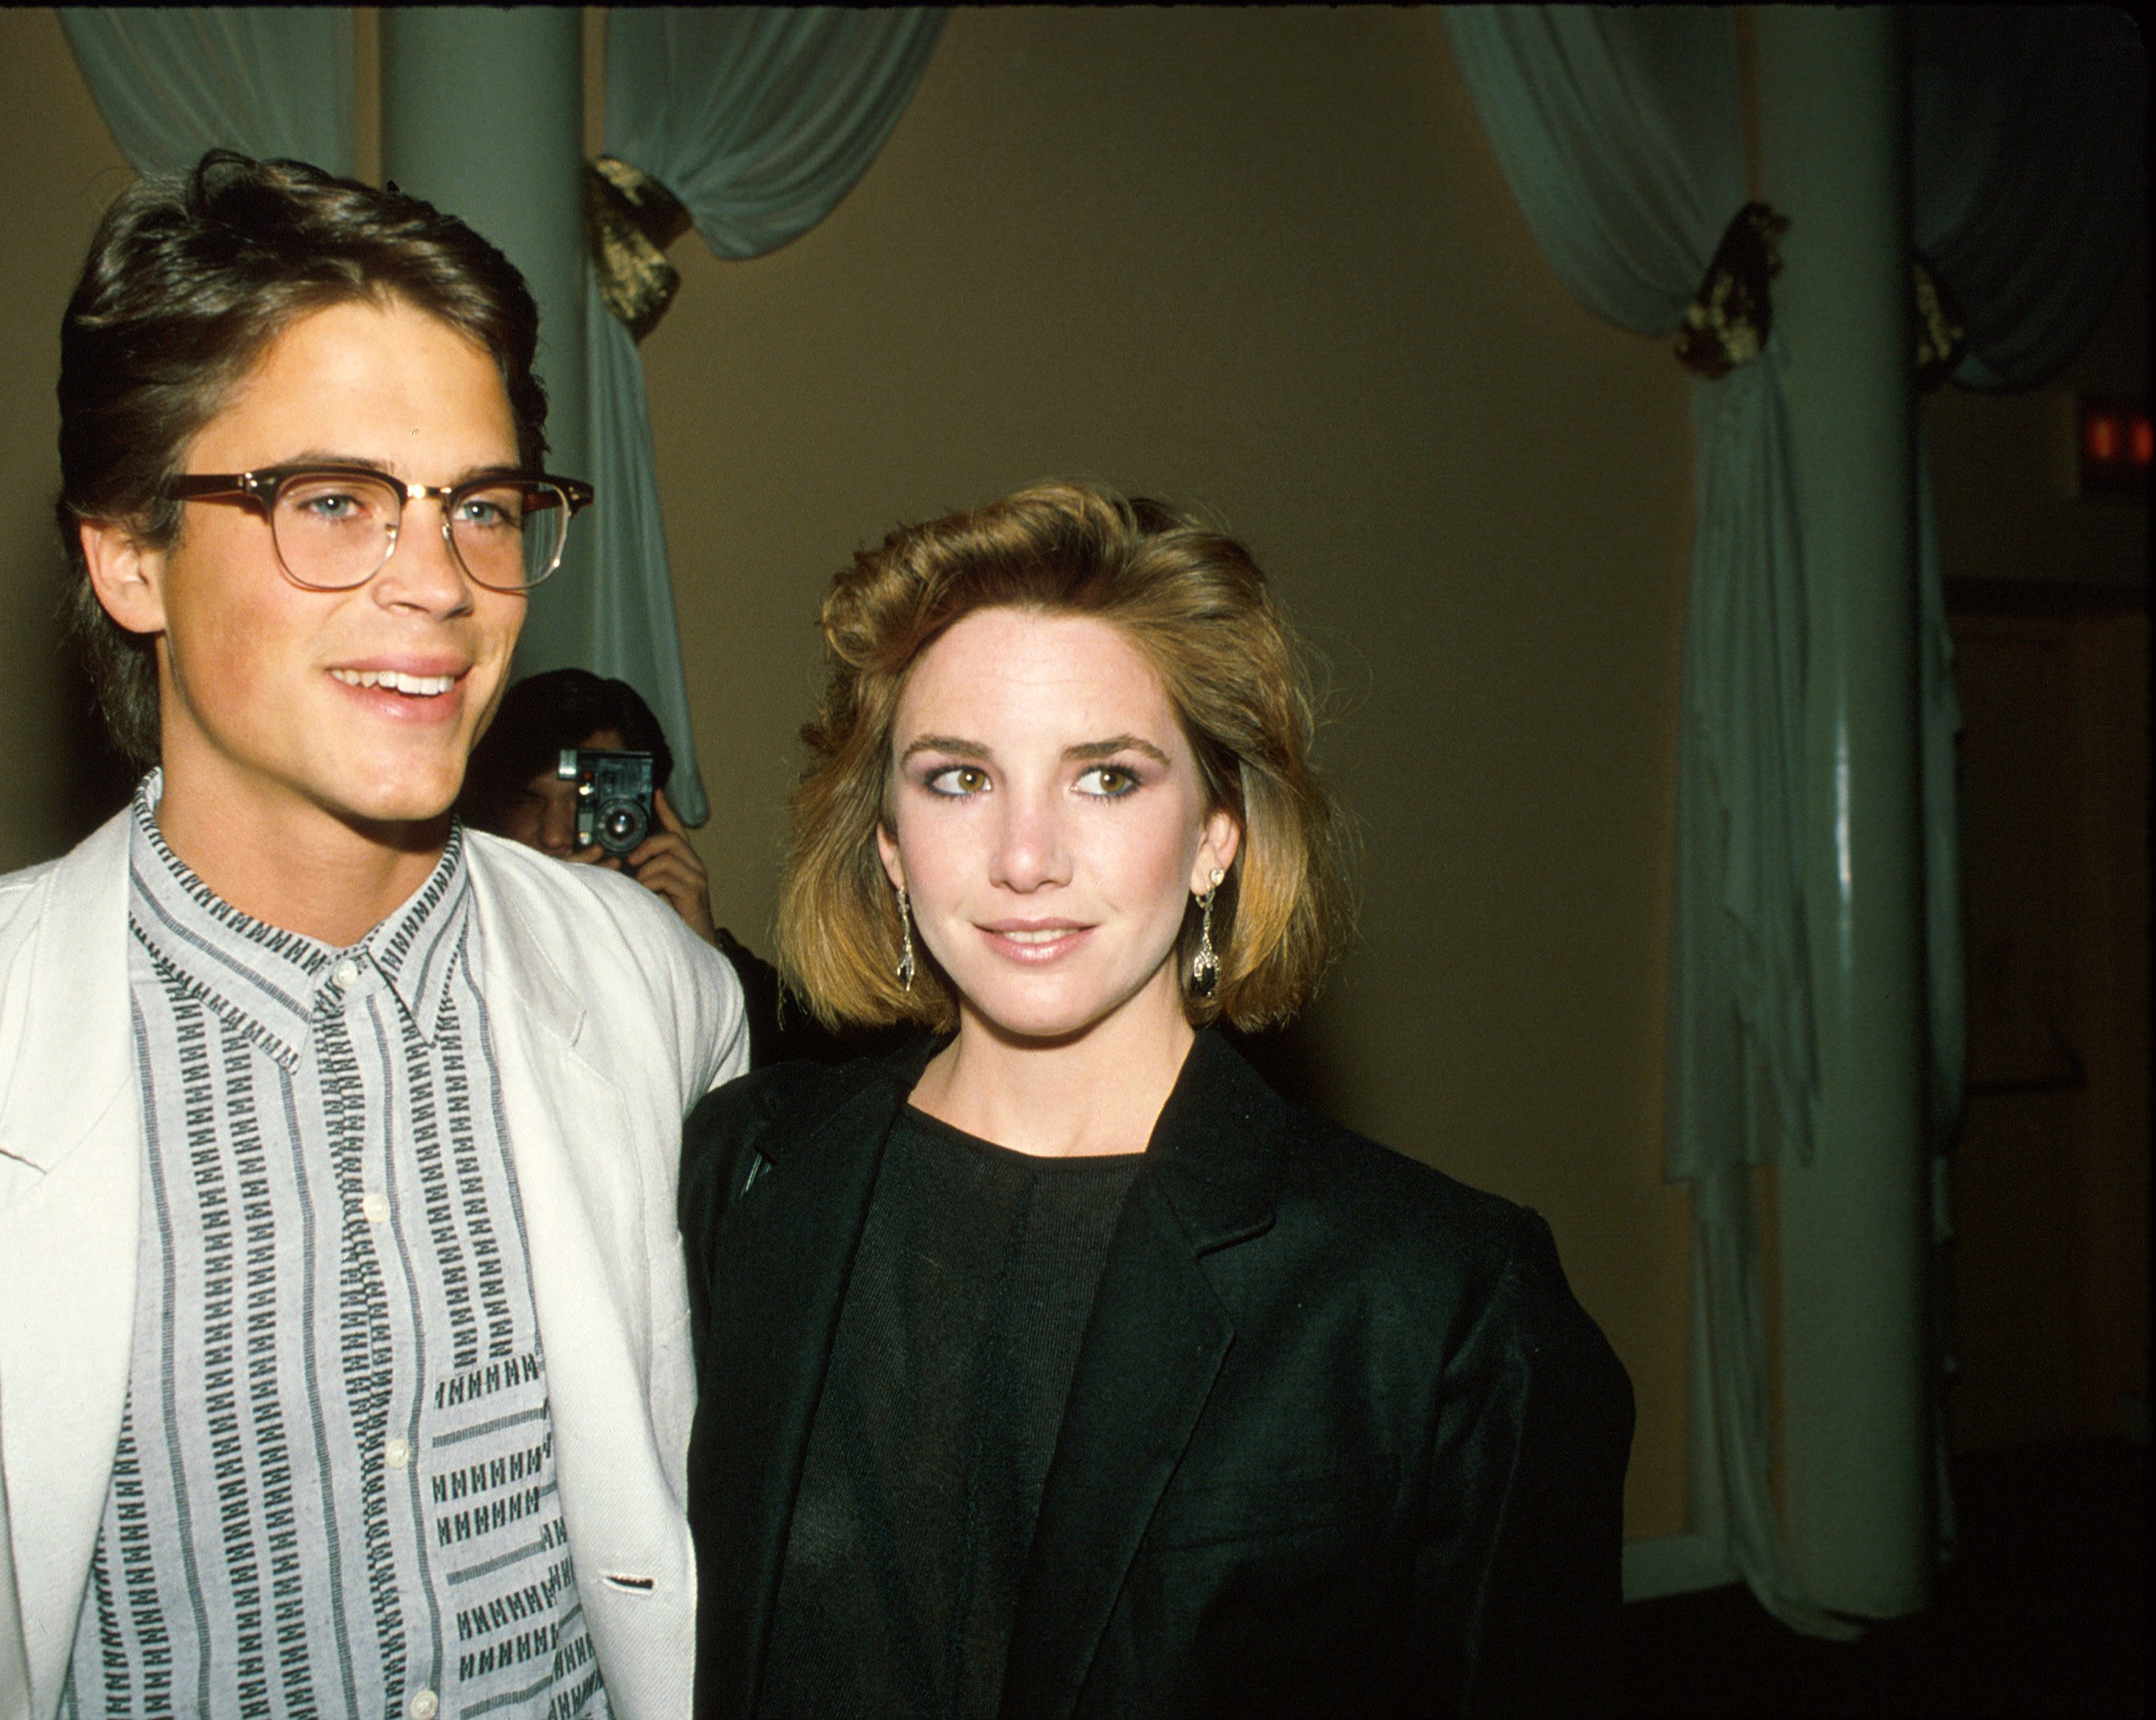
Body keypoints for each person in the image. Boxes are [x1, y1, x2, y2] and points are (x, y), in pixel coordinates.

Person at [0, 152, 745, 1720]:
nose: (440, 582)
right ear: (129, 553)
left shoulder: (659, 994)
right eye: (333, 500)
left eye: (481, 505)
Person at [680, 482, 1632, 1718]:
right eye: (958, 779)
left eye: (1108, 779)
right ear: (887, 846)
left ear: (1215, 835)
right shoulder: (743, 1178)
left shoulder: (1435, 1302)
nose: (1026, 858)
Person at [457, 669, 903, 1069]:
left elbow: (816, 1091)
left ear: (644, 810)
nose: (555, 834)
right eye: (528, 801)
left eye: (587, 800)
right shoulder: (456, 964)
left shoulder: (699, 955)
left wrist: (701, 956)